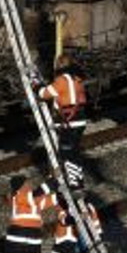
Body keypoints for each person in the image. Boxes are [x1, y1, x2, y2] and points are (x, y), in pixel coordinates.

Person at [37, 54, 88, 188]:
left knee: (67, 153)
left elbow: (44, 94)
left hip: (68, 122)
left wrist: (37, 86)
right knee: (75, 152)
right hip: (80, 120)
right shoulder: (78, 79)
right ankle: (78, 180)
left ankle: (75, 185)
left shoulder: (61, 81)